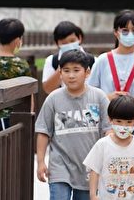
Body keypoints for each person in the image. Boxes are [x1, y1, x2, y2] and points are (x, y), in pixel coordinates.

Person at [35, 50, 111, 200]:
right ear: (60, 73)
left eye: (76, 70)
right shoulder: (53, 99)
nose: (71, 75)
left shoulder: (99, 97)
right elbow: (44, 131)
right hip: (59, 166)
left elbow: (108, 130)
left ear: (87, 72)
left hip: (90, 167)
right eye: (66, 70)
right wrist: (41, 162)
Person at [87, 10, 134, 137]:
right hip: (109, 127)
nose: (130, 34)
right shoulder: (103, 60)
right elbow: (89, 94)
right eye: (125, 30)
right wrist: (107, 98)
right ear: (115, 32)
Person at [83, 95, 134, 200]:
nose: (124, 126)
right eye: (119, 121)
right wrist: (93, 195)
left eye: (129, 122)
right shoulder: (102, 144)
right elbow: (94, 170)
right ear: (110, 120)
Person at [42, 21, 91, 94]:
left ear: (79, 38)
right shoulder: (52, 61)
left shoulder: (92, 60)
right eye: (64, 43)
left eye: (72, 41)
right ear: (57, 43)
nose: (69, 45)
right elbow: (48, 89)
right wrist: (62, 65)